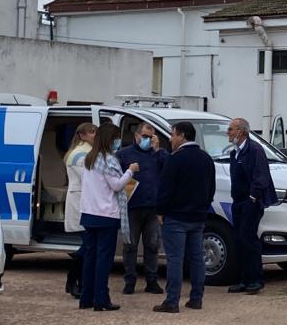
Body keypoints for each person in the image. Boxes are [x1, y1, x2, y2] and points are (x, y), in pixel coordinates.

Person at [156, 120, 215, 313]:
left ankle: (172, 300)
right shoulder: (206, 158)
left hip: (176, 216)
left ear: (182, 136)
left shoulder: (175, 159)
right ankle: (196, 298)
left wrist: (160, 211)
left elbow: (166, 188)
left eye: (173, 135)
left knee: (175, 258)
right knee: (197, 258)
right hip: (198, 216)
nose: (171, 139)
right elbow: (211, 188)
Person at [78, 121, 135, 311]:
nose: (119, 141)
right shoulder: (109, 159)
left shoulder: (89, 158)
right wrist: (130, 171)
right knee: (104, 260)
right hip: (106, 214)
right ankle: (101, 299)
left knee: (90, 257)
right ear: (110, 139)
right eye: (117, 138)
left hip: (89, 212)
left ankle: (86, 297)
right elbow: (117, 185)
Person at [226, 117, 278, 295]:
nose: (228, 133)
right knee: (239, 239)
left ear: (241, 132)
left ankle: (255, 280)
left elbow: (261, 177)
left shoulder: (255, 150)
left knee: (249, 239)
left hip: (250, 202)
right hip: (238, 202)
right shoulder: (235, 153)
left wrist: (253, 198)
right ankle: (242, 279)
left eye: (231, 129)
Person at [115, 123, 167, 295]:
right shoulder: (124, 154)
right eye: (144, 136)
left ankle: (151, 280)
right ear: (136, 136)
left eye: (150, 137)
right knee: (130, 245)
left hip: (153, 207)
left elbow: (168, 169)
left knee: (152, 245)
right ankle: (130, 280)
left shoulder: (158, 154)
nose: (147, 140)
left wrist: (158, 149)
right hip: (132, 207)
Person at [62, 122, 97, 299]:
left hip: (86, 200)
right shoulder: (79, 155)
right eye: (91, 133)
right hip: (81, 201)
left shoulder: (86, 152)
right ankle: (73, 280)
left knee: (88, 244)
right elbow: (88, 179)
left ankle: (77, 281)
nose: (94, 135)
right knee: (88, 245)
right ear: (82, 135)